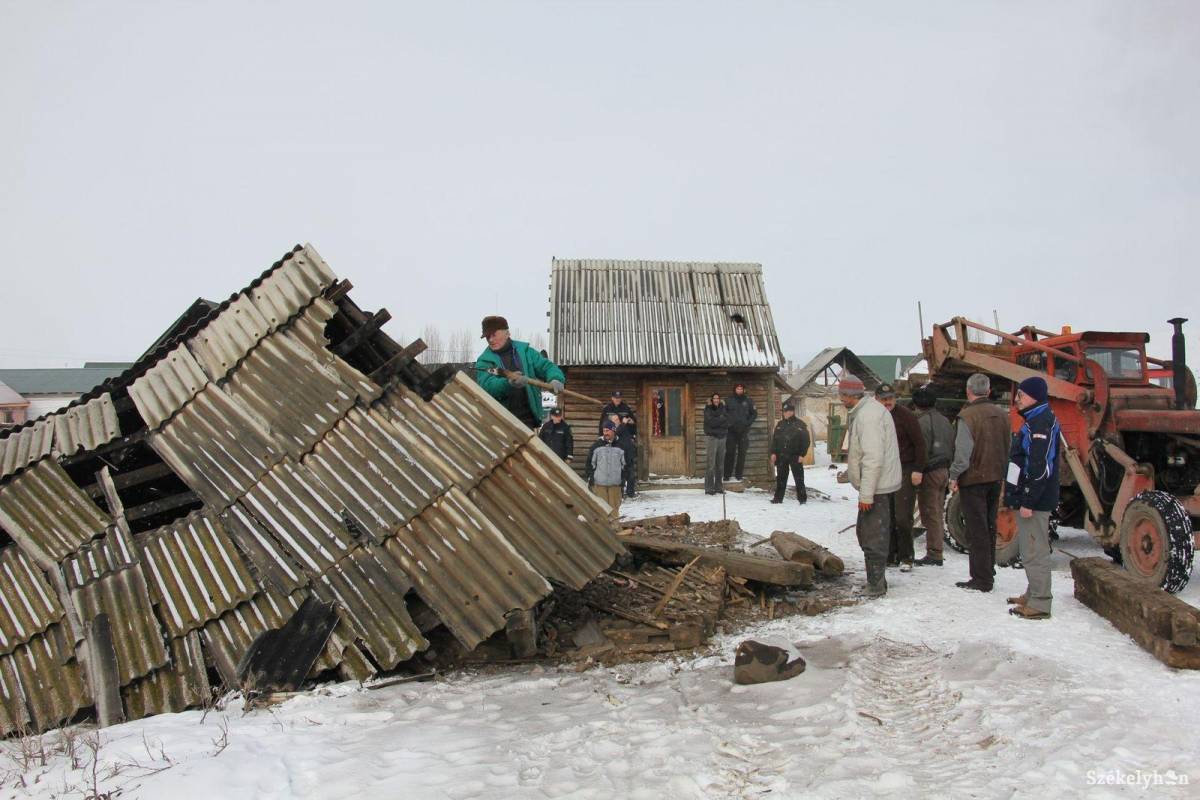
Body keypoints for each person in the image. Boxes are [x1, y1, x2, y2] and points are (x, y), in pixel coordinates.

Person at [839, 373, 901, 596]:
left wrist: (867, 495)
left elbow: (873, 458)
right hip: (875, 486)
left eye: (842, 395)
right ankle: (876, 581)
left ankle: (876, 585)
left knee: (873, 536)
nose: (840, 400)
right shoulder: (866, 412)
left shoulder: (868, 417)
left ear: (849, 395)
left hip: (876, 488)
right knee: (866, 532)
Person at [948, 373, 1010, 593]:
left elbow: (963, 454)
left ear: (968, 390)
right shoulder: (1002, 414)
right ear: (989, 391)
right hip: (995, 477)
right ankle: (988, 569)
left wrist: (954, 475)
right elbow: (1007, 446)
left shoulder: (967, 416)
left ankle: (981, 579)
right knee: (990, 526)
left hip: (973, 480)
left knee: (977, 530)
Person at [1006, 377, 1060, 620]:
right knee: (1029, 548)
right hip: (1027, 497)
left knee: (1035, 551)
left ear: (1034, 396)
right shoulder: (1033, 419)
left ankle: (1040, 602)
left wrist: (1028, 500)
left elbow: (1039, 466)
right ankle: (1032, 593)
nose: (1018, 399)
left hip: (1035, 500)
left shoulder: (1041, 422)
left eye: (1022, 395)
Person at [474, 316, 565, 429]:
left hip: (527, 421)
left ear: (507, 333)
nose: (490, 340)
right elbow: (488, 386)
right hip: (500, 422)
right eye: (487, 337)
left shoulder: (525, 352)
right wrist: (508, 383)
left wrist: (555, 378)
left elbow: (547, 366)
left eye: (494, 335)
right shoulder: (484, 361)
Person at [876, 384, 926, 573]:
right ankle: (891, 554)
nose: (887, 402)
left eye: (890, 398)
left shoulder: (906, 416)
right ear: (877, 399)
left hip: (905, 469)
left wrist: (918, 469)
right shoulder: (876, 417)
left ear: (895, 399)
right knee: (887, 515)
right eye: (883, 398)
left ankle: (906, 556)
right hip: (884, 470)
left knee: (903, 516)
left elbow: (920, 444)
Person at [912, 385, 954, 566]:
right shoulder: (945, 421)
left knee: (931, 513)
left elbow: (922, 451)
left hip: (930, 471)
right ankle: (935, 551)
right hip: (944, 469)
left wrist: (917, 471)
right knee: (936, 509)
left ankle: (935, 553)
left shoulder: (921, 422)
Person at [769, 400, 810, 504]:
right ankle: (778, 499)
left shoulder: (800, 424)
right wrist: (773, 453)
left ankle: (802, 499)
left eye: (787, 411)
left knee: (799, 478)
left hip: (795, 456)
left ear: (792, 412)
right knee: (781, 479)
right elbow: (775, 440)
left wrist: (802, 454)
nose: (785, 413)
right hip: (781, 455)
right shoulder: (780, 424)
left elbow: (806, 441)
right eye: (784, 411)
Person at [585, 421, 626, 517]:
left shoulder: (621, 446)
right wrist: (591, 478)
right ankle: (602, 531)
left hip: (615, 485)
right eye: (604, 431)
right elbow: (590, 464)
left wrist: (623, 479)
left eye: (607, 430)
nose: (605, 433)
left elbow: (626, 465)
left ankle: (614, 530)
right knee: (601, 510)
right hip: (599, 485)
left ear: (613, 431)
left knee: (614, 510)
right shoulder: (596, 446)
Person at [724, 383, 758, 482]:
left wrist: (748, 423)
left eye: (741, 389)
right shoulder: (729, 400)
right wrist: (729, 423)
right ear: (734, 390)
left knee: (742, 454)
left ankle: (739, 475)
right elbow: (724, 412)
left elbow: (754, 413)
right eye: (737, 389)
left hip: (743, 431)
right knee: (730, 453)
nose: (739, 390)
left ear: (744, 390)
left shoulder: (748, 401)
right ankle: (727, 475)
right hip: (731, 431)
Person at [703, 393, 730, 494]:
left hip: (722, 438)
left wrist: (718, 420)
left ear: (719, 400)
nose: (716, 400)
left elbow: (727, 421)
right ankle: (709, 488)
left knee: (720, 464)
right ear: (711, 400)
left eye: (717, 398)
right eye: (714, 398)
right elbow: (710, 422)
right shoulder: (708, 409)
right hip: (712, 438)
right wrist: (721, 419)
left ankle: (719, 487)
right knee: (711, 464)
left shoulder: (723, 409)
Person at [617, 412, 638, 498]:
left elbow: (633, 433)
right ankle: (620, 493)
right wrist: (623, 423)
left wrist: (632, 424)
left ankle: (630, 493)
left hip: (629, 454)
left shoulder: (624, 427)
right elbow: (617, 433)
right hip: (619, 455)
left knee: (631, 475)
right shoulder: (615, 427)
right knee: (620, 475)